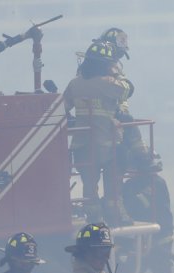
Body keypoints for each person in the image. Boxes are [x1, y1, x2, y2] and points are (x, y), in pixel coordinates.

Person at [64, 40, 145, 226]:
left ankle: (94, 219)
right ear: (104, 64)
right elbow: (128, 89)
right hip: (109, 147)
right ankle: (116, 215)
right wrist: (117, 72)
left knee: (89, 187)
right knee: (113, 188)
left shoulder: (74, 84)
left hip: (82, 146)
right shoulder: (109, 83)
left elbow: (64, 107)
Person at [122, 152, 174, 273]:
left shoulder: (153, 183)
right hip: (144, 239)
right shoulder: (140, 183)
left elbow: (134, 205)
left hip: (157, 239)